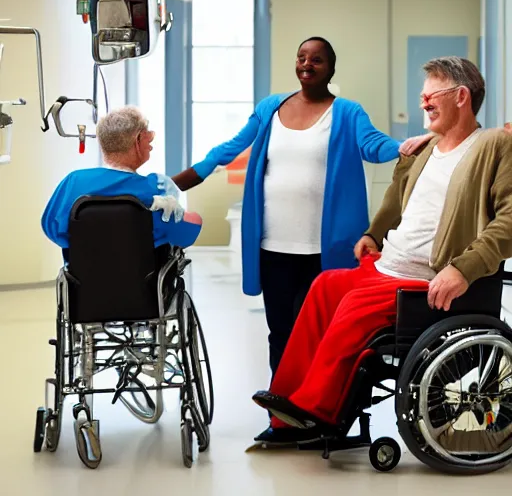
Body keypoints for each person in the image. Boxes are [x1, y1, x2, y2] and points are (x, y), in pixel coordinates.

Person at [252, 56, 512, 443]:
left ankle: (317, 410)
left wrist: (464, 268)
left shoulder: (493, 144)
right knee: (324, 287)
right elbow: (397, 199)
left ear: (461, 96)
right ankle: (288, 409)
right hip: (386, 266)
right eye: (421, 96)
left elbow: (508, 219)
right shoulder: (427, 148)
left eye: (430, 96)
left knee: (354, 307)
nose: (422, 103)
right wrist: (374, 234)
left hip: (426, 279)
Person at [172, 37, 433, 418]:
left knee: (320, 335)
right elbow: (227, 150)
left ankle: (320, 409)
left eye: (317, 59)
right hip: (273, 246)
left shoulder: (346, 112)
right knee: (280, 333)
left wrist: (406, 146)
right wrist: (171, 185)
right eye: (301, 58)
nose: (307, 64)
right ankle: (282, 416)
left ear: (330, 68)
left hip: (326, 250)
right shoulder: (270, 109)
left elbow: (373, 145)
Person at [42, 106, 202, 257]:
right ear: (138, 141)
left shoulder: (74, 181)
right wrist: (195, 217)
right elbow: (185, 235)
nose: (151, 145)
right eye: (149, 137)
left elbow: (51, 227)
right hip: (141, 283)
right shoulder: (153, 188)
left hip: (83, 283)